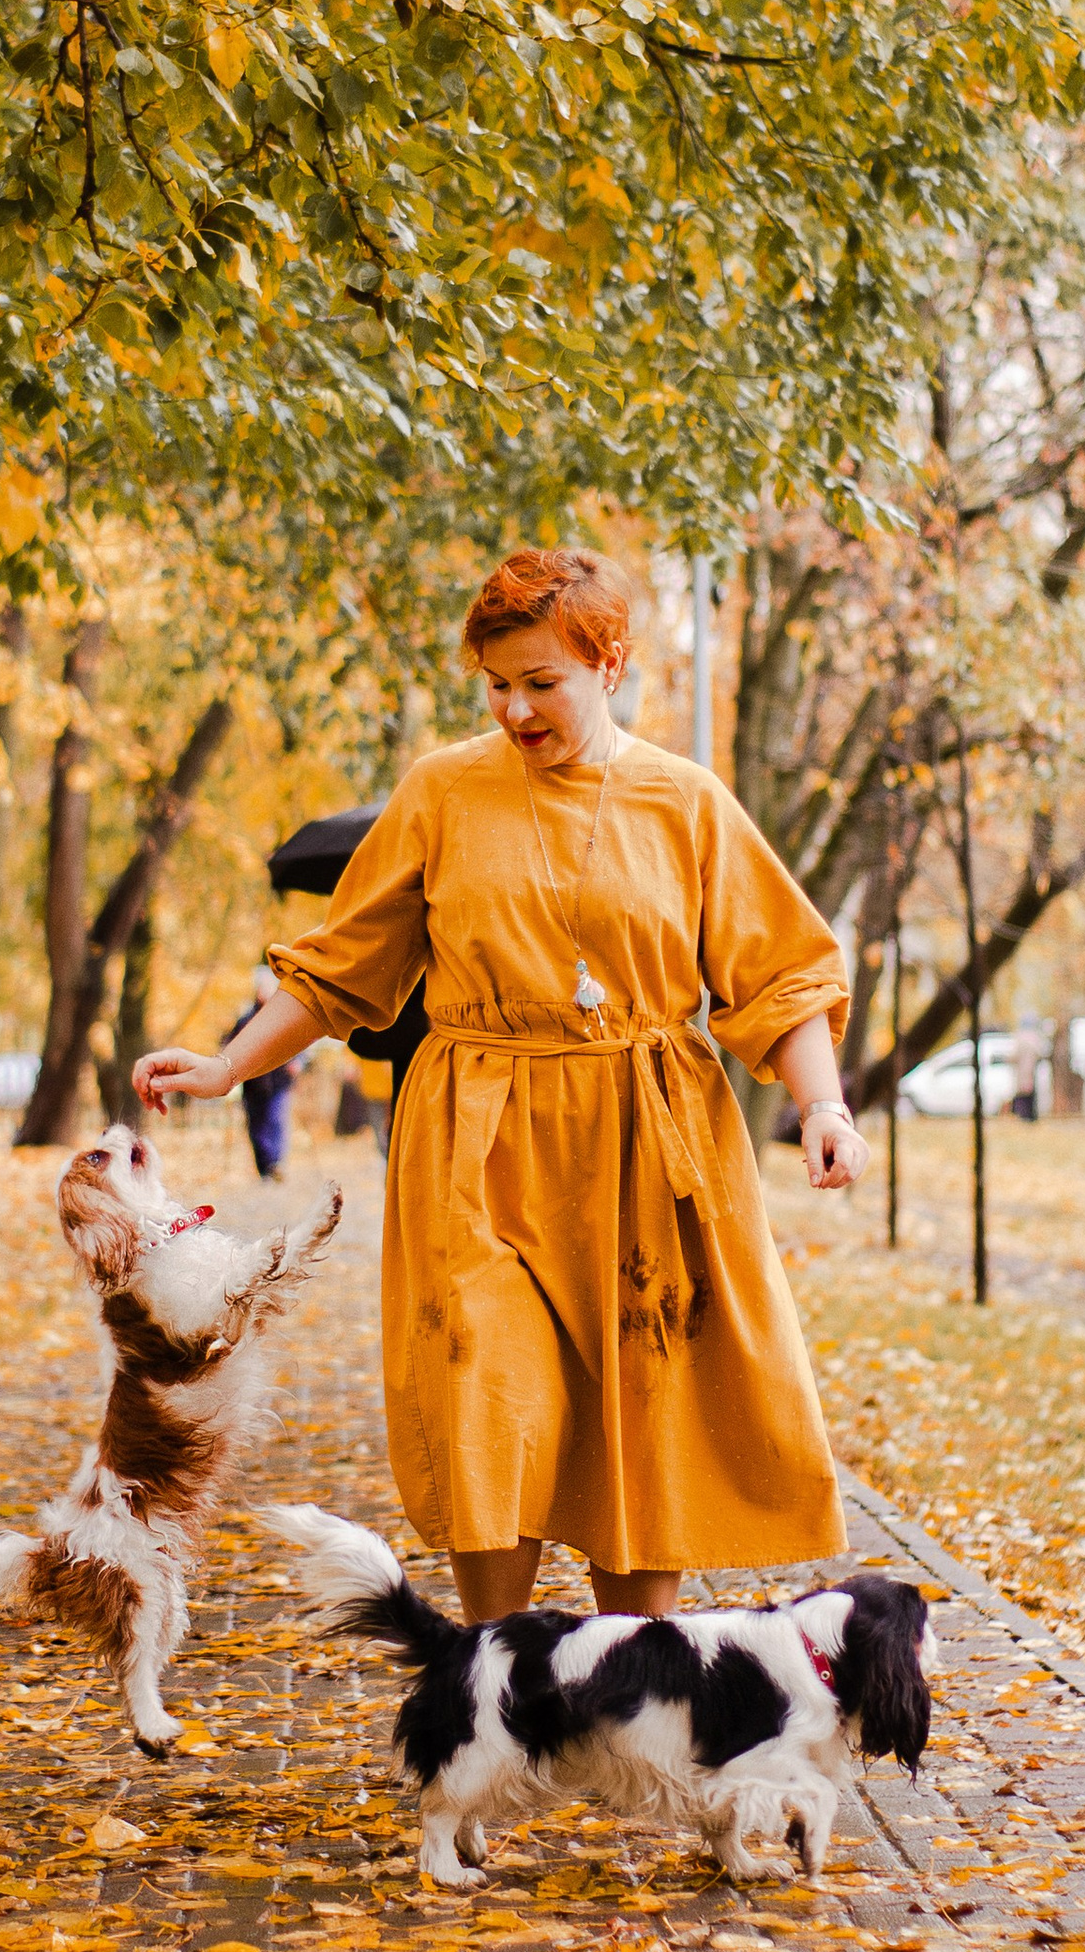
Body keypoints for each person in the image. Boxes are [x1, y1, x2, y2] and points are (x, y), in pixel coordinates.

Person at [134, 546, 870, 1622]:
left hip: (641, 1141)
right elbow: (346, 963)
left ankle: (631, 1685)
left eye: (542, 682)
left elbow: (779, 970)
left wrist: (823, 1105)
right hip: (477, 1140)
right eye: (497, 683)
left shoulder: (685, 802)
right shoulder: (442, 789)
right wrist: (227, 1064)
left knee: (638, 1411)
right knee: (485, 1393)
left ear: (608, 664)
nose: (516, 708)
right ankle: (495, 1682)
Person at [222, 971, 303, 1179]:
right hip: (253, 1083)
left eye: (267, 987)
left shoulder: (284, 1016)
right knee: (256, 1125)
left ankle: (277, 1163)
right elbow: (230, 1045)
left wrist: (298, 1062)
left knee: (276, 1120)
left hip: (279, 1081)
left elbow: (301, 1041)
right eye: (260, 987)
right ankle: (264, 1168)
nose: (263, 992)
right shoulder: (246, 1019)